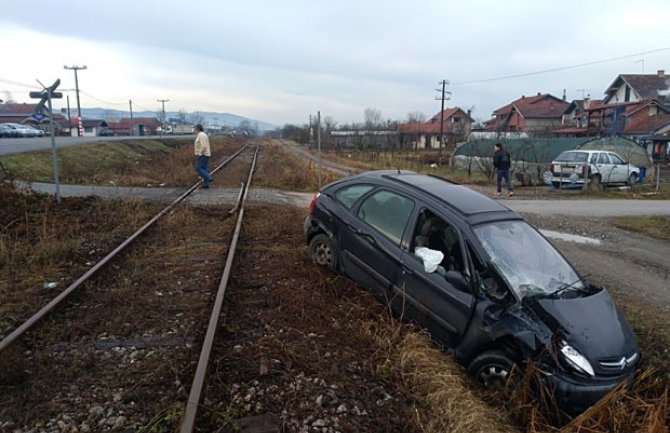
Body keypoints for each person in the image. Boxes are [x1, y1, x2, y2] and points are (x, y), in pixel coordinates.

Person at [194, 124, 213, 188]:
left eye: (195, 129)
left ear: (198, 129)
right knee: (204, 168)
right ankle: (205, 184)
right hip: (205, 154)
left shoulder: (201, 135)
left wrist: (200, 153)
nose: (194, 130)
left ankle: (209, 177)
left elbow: (203, 146)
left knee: (199, 168)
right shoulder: (202, 135)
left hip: (203, 154)